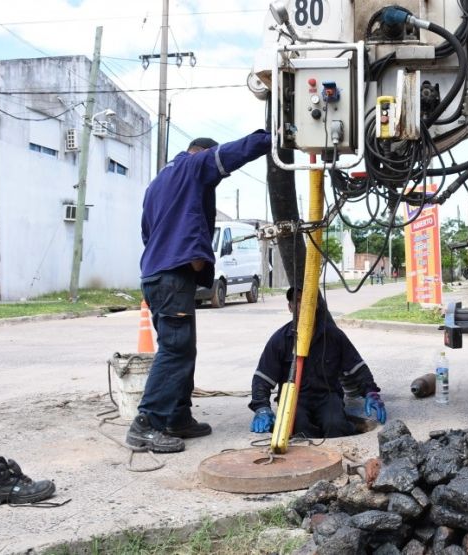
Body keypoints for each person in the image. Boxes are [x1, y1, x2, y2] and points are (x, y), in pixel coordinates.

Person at [127, 131, 272, 453]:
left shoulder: (158, 184)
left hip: (156, 275)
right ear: (203, 154)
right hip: (171, 278)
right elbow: (235, 151)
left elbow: (146, 232)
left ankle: (177, 417)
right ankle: (146, 424)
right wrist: (276, 136)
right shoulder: (192, 167)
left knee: (181, 349)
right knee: (175, 351)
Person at [249, 287, 386, 438]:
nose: (303, 305)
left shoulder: (334, 336)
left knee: (336, 426)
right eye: (298, 301)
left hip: (327, 396)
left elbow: (357, 369)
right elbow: (262, 379)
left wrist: (371, 393)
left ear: (317, 305)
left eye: (308, 300)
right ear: (290, 307)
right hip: (294, 399)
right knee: (299, 429)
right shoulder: (280, 339)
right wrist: (262, 408)